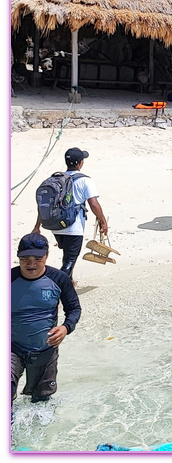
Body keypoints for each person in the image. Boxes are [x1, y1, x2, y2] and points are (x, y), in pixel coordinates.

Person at [12, 233, 81, 405]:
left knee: (41, 402)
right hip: (11, 348)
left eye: (37, 258)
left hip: (45, 350)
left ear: (47, 256)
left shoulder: (59, 279)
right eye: (25, 258)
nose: (31, 263)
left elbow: (74, 309)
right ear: (18, 256)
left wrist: (65, 328)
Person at [33, 148, 107, 281]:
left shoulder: (55, 179)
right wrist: (103, 221)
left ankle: (69, 282)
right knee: (70, 261)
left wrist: (37, 226)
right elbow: (94, 203)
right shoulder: (85, 180)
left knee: (67, 256)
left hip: (55, 226)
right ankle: (57, 288)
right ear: (80, 163)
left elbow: (45, 205)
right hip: (73, 228)